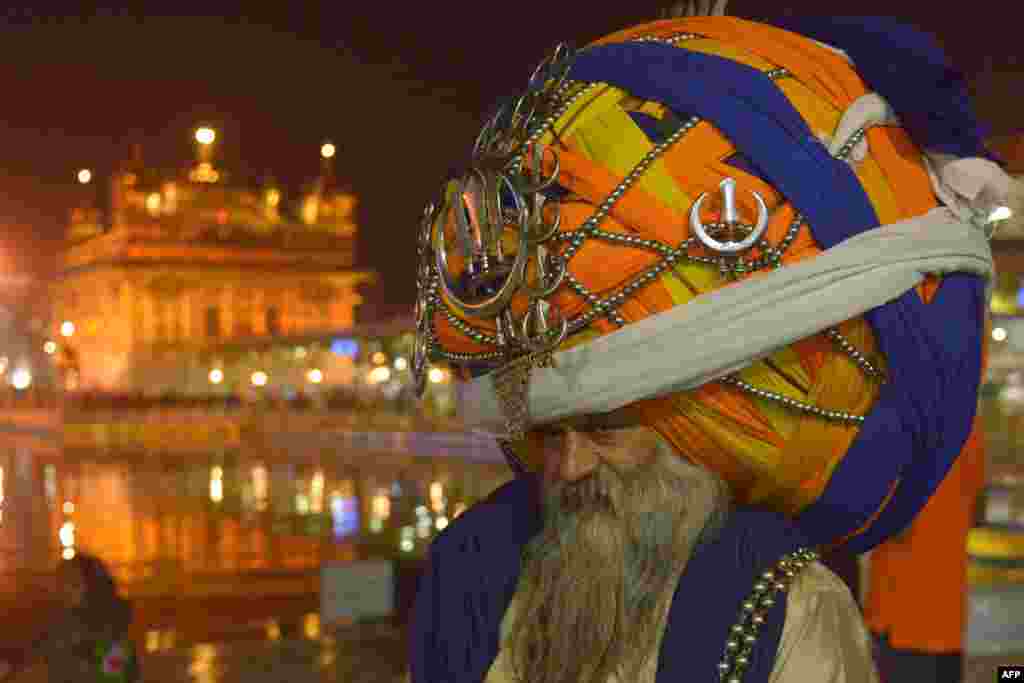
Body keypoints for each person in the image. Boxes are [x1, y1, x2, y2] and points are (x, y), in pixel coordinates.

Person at [410, 4, 1011, 682]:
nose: (567, 464)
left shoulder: (783, 609)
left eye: (605, 426)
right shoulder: (467, 572)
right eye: (548, 432)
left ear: (691, 423)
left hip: (923, 619)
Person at [864, 417, 988, 683]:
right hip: (947, 614)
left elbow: (893, 523)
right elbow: (978, 510)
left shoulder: (900, 426)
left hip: (901, 614)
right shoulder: (968, 424)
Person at [0, 553, 139, 682]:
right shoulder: (56, 624)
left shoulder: (113, 630)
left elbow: (111, 676)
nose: (64, 590)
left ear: (93, 586)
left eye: (73, 583)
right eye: (61, 583)